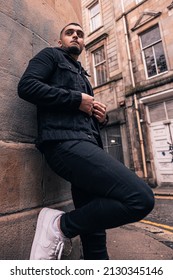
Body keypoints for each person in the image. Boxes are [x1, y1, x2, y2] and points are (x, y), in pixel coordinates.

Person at [18, 22, 155, 260]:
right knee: (140, 198)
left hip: (84, 144)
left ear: (84, 42)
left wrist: (99, 117)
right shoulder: (50, 55)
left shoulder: (83, 74)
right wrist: (76, 99)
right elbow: (27, 86)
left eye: (80, 34)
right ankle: (60, 226)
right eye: (69, 33)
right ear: (59, 41)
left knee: (94, 237)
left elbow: (79, 112)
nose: (75, 36)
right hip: (64, 144)